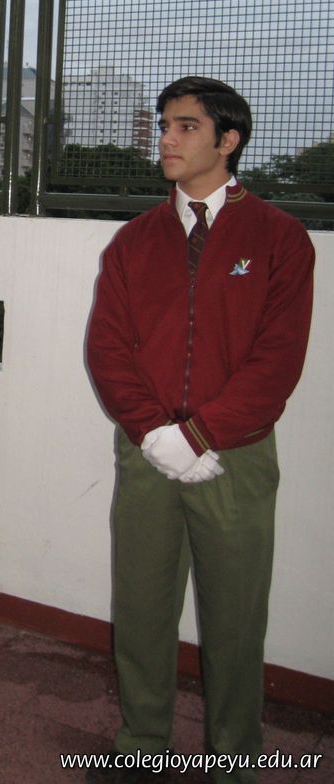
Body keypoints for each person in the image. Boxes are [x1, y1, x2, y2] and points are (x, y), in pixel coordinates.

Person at [86, 76, 315, 784]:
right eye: (164, 125)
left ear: (228, 140)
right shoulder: (133, 242)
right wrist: (154, 432)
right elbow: (107, 348)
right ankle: (141, 745)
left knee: (236, 620)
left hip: (235, 460)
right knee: (141, 608)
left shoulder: (278, 238)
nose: (167, 138)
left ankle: (236, 760)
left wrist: (201, 435)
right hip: (145, 454)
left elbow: (277, 361)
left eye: (186, 126)